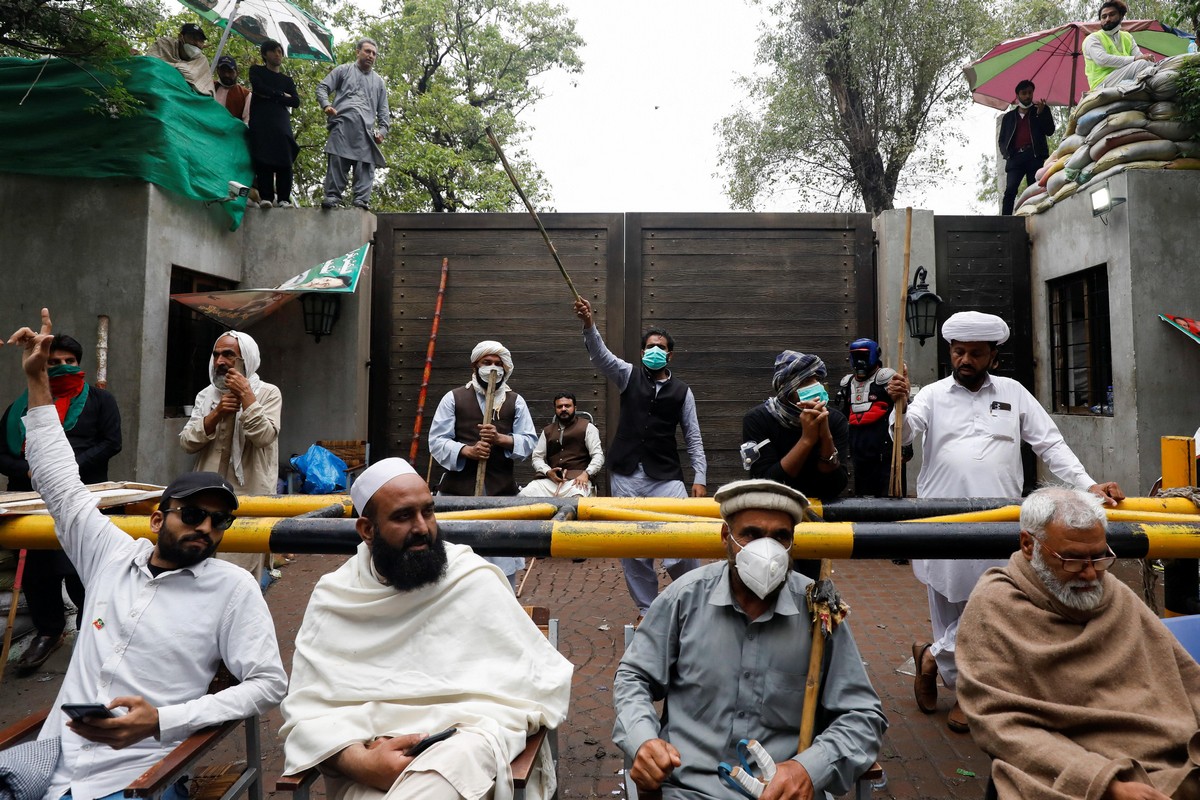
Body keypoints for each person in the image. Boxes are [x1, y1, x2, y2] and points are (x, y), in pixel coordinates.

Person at [4, 308, 286, 800]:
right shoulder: (110, 556)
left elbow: (267, 684)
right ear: (158, 518)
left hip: (139, 778)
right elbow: (60, 484)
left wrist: (163, 721)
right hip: (50, 770)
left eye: (219, 520)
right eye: (192, 513)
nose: (205, 526)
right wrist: (37, 380)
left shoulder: (231, 588)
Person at [886, 310, 1125, 733]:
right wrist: (899, 405)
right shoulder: (933, 395)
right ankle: (945, 666)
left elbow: (1049, 443)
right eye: (958, 352)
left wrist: (1086, 485)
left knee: (992, 605)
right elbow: (904, 435)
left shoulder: (1014, 392)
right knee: (949, 608)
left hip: (999, 519)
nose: (965, 360)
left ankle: (948, 677)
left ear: (992, 356)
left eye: (975, 354)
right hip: (940, 519)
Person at [279, 457, 573, 800]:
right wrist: (361, 761)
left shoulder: (471, 579)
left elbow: (531, 689)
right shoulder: (337, 596)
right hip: (368, 762)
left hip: (462, 745)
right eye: (403, 516)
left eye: (428, 512)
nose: (422, 528)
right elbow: (306, 713)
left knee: (456, 763)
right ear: (367, 530)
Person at [613, 478, 887, 800]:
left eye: (780, 536)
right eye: (752, 534)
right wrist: (643, 740)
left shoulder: (820, 613)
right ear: (726, 537)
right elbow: (634, 677)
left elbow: (863, 716)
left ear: (792, 543)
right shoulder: (684, 599)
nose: (767, 550)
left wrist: (810, 768)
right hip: (686, 791)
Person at [958, 486, 1200, 800]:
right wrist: (1103, 784)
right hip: (1077, 772)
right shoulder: (995, 607)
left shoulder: (1113, 592)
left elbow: (1185, 680)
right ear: (1028, 544)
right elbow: (1002, 725)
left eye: (1099, 557)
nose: (1089, 574)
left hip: (1168, 760)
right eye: (1072, 560)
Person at [573, 297, 708, 619]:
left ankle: (691, 604)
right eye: (650, 346)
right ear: (642, 351)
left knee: (683, 541)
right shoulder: (627, 374)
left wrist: (699, 477)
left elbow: (693, 437)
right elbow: (600, 356)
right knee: (633, 547)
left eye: (660, 346)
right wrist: (589, 324)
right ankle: (648, 612)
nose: (655, 351)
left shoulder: (682, 391)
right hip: (627, 474)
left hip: (667, 477)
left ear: (670, 354)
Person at [0, 333, 121, 676]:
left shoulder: (100, 401)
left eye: (69, 361)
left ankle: (93, 634)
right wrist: (30, 469)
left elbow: (112, 442)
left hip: (83, 496)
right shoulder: (21, 407)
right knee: (39, 574)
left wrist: (60, 470)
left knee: (82, 572)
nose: (62, 367)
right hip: (31, 501)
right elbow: (1, 455)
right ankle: (49, 630)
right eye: (53, 362)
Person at [428, 340, 537, 590]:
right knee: (456, 563)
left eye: (498, 364)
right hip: (459, 493)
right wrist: (467, 450)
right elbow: (436, 441)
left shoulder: (515, 401)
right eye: (486, 363)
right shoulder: (453, 398)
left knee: (501, 563)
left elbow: (529, 440)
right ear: (475, 366)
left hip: (502, 493)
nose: (492, 368)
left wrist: (502, 439)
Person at [179, 331, 281, 580]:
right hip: (207, 493)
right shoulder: (206, 396)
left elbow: (264, 436)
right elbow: (186, 442)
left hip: (249, 494)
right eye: (216, 355)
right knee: (199, 566)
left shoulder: (268, 393)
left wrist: (247, 397)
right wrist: (215, 415)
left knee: (239, 571)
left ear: (246, 360)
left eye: (228, 355)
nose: (220, 362)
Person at [743, 350, 848, 578]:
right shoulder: (758, 420)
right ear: (788, 389)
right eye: (806, 382)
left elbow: (836, 483)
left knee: (809, 587)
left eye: (818, 379)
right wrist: (807, 439)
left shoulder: (836, 420)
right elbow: (769, 481)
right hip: (769, 519)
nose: (816, 386)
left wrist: (825, 436)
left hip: (814, 522)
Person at [316, 37, 390, 210]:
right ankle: (333, 196)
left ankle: (361, 199)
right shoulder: (343, 70)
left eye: (374, 53)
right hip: (342, 125)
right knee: (337, 161)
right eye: (367, 51)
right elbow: (322, 87)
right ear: (358, 52)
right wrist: (326, 105)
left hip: (365, 130)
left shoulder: (379, 82)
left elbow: (384, 112)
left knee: (365, 166)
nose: (371, 55)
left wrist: (382, 131)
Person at [833, 338, 908, 498]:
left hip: (885, 447)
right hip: (859, 445)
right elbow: (843, 414)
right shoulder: (847, 383)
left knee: (890, 495)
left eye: (863, 355)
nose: (860, 360)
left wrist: (905, 447)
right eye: (856, 355)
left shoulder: (887, 379)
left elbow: (902, 413)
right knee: (863, 493)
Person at [518, 392, 604, 498]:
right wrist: (548, 471)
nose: (563, 409)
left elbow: (598, 456)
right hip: (551, 481)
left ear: (575, 408)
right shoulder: (547, 431)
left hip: (577, 481)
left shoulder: (588, 427)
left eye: (567, 406)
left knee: (576, 502)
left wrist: (586, 474)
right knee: (523, 495)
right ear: (555, 409)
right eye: (559, 406)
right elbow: (537, 457)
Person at [248, 39, 300, 209]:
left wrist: (272, 95)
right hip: (261, 120)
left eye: (280, 51)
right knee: (263, 157)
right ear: (264, 54)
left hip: (280, 121)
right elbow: (258, 87)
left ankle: (284, 198)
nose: (278, 54)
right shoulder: (257, 70)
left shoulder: (287, 80)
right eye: (274, 51)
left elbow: (295, 101)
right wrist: (280, 95)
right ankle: (266, 197)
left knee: (285, 156)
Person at [998, 80, 1055, 216]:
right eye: (1024, 93)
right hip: (1015, 158)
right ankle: (1005, 220)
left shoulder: (1041, 109)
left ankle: (1034, 216)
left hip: (1034, 156)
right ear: (1017, 95)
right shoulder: (1009, 117)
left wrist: (1040, 114)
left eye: (1030, 93)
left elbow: (1050, 131)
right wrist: (1007, 154)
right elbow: (1002, 140)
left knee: (1034, 189)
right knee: (1010, 189)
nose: (1028, 96)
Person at [1084, 0, 1157, 89]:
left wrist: (1147, 58)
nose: (1107, 19)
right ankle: (1133, 85)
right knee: (1143, 64)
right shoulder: (1093, 38)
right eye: (1104, 17)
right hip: (1102, 82)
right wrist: (1135, 59)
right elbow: (1102, 60)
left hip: (1123, 75)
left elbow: (1139, 56)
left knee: (1148, 63)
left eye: (1112, 15)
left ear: (1121, 16)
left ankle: (1132, 85)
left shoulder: (1127, 37)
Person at [145, 22, 214, 97]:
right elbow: (150, 63)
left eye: (201, 41)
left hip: (184, 97)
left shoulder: (202, 60)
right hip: (155, 87)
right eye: (193, 38)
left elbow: (205, 89)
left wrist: (171, 68)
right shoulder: (165, 44)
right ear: (180, 37)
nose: (197, 43)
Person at [214, 54, 251, 125]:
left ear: (237, 73)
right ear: (218, 71)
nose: (226, 75)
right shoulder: (210, 86)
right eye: (223, 71)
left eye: (230, 71)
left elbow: (247, 122)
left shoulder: (245, 94)